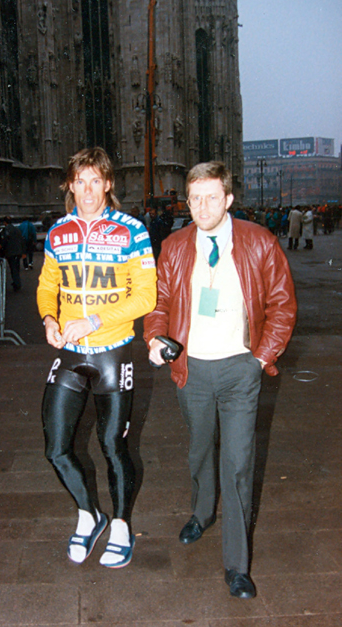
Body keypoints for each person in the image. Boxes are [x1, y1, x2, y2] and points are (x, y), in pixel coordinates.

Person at [144, 161, 296, 599]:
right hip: (191, 368)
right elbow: (159, 303)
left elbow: (283, 305)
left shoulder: (259, 242)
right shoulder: (173, 246)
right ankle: (202, 512)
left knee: (237, 462)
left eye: (212, 197)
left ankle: (237, 565)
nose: (202, 206)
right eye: (195, 198)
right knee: (198, 451)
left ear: (228, 199)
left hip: (239, 369)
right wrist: (155, 338)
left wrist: (260, 358)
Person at [37, 147, 156, 569]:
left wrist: (94, 320)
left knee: (112, 445)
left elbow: (146, 296)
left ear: (107, 184)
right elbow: (46, 285)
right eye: (79, 182)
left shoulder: (131, 231)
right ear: (70, 185)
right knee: (55, 446)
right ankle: (90, 514)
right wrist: (50, 318)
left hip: (112, 352)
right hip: (70, 354)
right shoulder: (58, 231)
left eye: (95, 181)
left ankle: (121, 523)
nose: (87, 191)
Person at [2, 217, 25, 291]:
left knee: (13, 268)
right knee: (17, 267)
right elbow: (21, 240)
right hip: (18, 251)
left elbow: (5, 241)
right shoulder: (17, 229)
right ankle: (17, 281)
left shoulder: (6, 230)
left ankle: (16, 283)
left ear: (5, 222)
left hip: (10, 252)